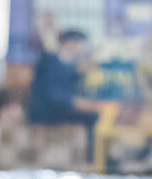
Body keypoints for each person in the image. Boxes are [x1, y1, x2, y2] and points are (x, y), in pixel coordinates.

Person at [26, 28, 101, 156]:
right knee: (92, 116)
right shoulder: (50, 60)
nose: (79, 48)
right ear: (68, 43)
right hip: (46, 111)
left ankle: (98, 156)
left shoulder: (65, 63)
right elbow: (53, 95)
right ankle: (93, 158)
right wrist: (75, 103)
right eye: (77, 44)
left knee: (96, 113)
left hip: (56, 107)